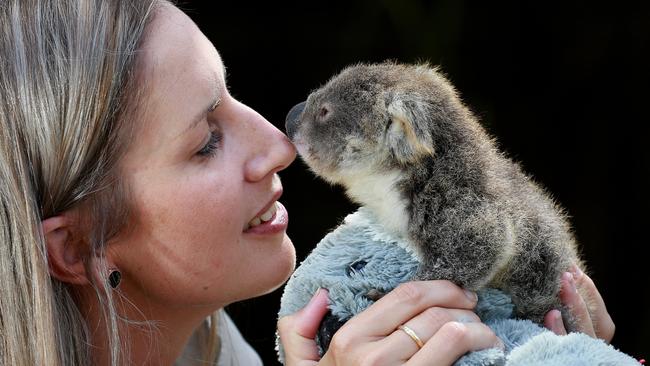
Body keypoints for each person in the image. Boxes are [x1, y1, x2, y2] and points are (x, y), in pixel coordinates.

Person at [0, 1, 614, 365]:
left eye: (231, 95)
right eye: (206, 141)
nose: (277, 145)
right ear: (77, 248)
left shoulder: (209, 347)